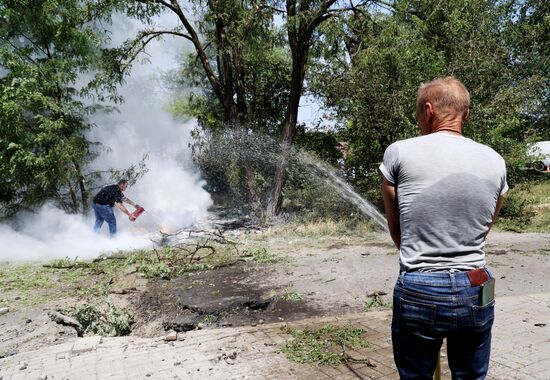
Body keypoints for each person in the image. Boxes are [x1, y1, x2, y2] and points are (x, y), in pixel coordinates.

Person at [379, 77, 507, 379]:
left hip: (419, 287)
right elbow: (486, 227)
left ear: (428, 110)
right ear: (467, 115)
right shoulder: (495, 160)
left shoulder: (399, 152)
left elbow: (398, 232)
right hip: (477, 285)